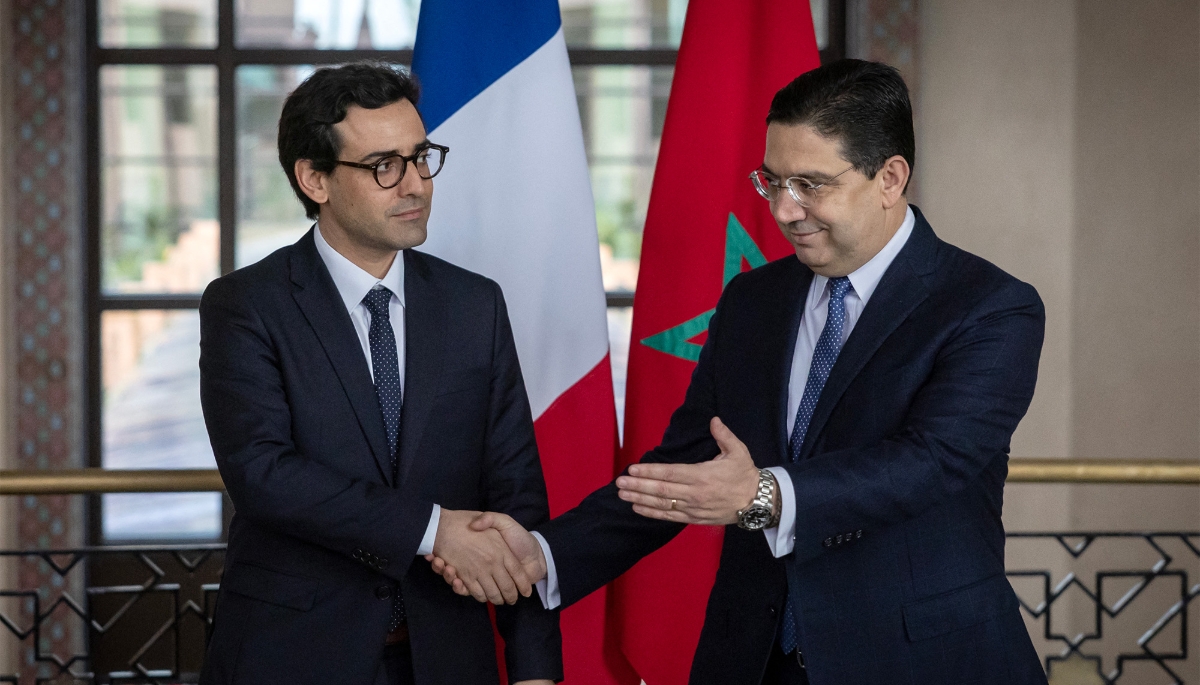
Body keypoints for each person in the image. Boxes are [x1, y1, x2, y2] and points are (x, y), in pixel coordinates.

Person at [432, 59, 1050, 685]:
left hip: (920, 660)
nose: (784, 210)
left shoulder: (990, 307)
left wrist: (763, 495)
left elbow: (931, 462)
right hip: (753, 660)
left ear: (889, 178)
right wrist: (543, 556)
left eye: (810, 184)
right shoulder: (753, 301)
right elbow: (684, 469)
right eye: (772, 182)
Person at [198, 62, 560, 685]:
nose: (416, 185)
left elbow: (516, 495)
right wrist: (433, 531)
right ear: (314, 179)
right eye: (384, 166)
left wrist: (534, 670)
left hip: (447, 655)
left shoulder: (475, 305)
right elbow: (263, 474)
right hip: (293, 654)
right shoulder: (247, 304)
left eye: (421, 158)